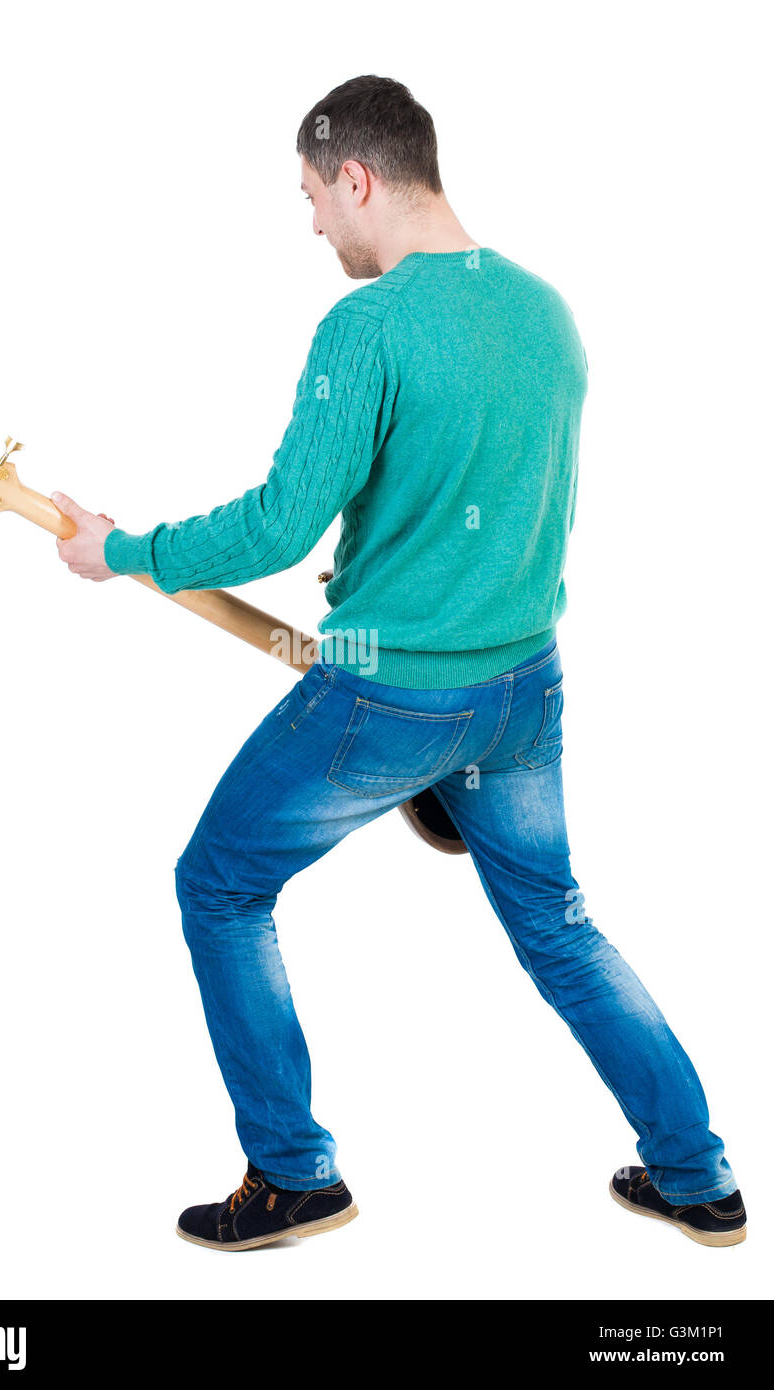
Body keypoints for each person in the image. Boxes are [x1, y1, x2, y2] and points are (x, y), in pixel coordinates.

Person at [52, 75, 745, 1251]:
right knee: (560, 926)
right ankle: (696, 1175)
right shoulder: (546, 309)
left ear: (357, 177)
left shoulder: (363, 328)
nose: (313, 223)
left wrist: (122, 550)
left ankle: (291, 1172)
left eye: (313, 195)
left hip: (391, 696)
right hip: (524, 691)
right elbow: (515, 515)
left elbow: (278, 526)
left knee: (216, 885)